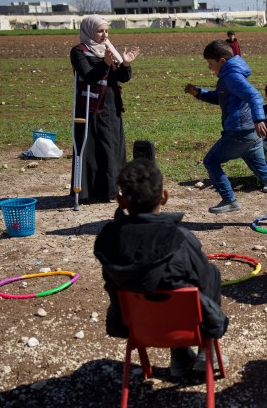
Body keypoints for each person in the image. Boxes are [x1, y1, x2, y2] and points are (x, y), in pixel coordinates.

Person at [94, 159, 229, 377]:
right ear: (164, 197)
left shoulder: (107, 240)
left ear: (120, 200)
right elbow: (203, 281)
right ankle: (207, 346)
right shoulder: (181, 239)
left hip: (133, 325)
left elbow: (111, 280)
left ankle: (181, 356)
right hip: (186, 324)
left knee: (155, 286)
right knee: (208, 274)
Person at [184, 40, 267, 224]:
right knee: (263, 172)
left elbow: (254, 95)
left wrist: (259, 119)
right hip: (250, 135)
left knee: (211, 161)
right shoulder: (230, 74)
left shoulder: (231, 76)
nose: (209, 68)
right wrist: (198, 92)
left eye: (210, 63)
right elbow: (222, 97)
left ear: (222, 61)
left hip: (239, 133)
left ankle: (230, 200)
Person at [70, 14, 140, 202]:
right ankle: (91, 191)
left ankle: (112, 189)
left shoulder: (109, 49)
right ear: (89, 31)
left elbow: (122, 77)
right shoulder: (79, 51)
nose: (104, 35)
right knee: (96, 148)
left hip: (111, 106)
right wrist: (105, 64)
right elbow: (88, 77)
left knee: (114, 147)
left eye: (106, 31)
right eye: (100, 31)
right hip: (91, 107)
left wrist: (125, 63)